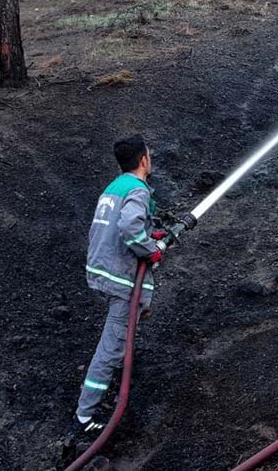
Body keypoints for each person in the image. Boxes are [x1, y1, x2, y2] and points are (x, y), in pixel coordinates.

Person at [74, 135, 169, 434]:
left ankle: (115, 373)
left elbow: (122, 224)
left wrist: (150, 235)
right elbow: (129, 227)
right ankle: (85, 417)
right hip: (119, 278)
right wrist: (151, 250)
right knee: (111, 347)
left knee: (117, 336)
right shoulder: (138, 189)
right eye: (149, 155)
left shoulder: (115, 187)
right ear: (144, 160)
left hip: (100, 271)